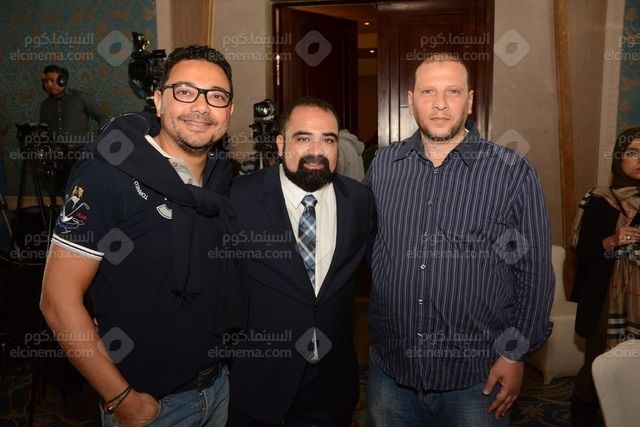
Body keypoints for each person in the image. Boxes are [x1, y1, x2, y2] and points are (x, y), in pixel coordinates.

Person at [40, 45, 241, 427]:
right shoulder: (108, 175)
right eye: (185, 91)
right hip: (150, 406)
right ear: (159, 100)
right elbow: (57, 301)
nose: (201, 106)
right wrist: (122, 399)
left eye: (216, 96)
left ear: (229, 111)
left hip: (218, 390)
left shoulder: (221, 180)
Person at [363, 53, 554, 426]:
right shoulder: (383, 166)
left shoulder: (512, 172)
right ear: (410, 100)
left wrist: (514, 354)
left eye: (452, 91)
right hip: (391, 371)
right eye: (428, 91)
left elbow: (534, 274)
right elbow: (369, 245)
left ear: (470, 100)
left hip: (476, 379)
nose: (440, 104)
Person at [227, 97, 375, 426]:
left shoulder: (358, 200)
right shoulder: (238, 198)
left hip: (330, 382)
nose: (316, 151)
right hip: (258, 379)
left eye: (328, 140)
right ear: (281, 144)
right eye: (304, 138)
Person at [569, 127, 640, 426]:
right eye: (632, 153)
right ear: (618, 158)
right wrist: (612, 240)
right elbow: (584, 251)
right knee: (597, 364)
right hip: (604, 298)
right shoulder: (600, 199)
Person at [39, 64, 104, 143]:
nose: (49, 85)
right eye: (46, 82)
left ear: (62, 80)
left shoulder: (80, 98)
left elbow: (102, 117)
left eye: (52, 81)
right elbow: (44, 129)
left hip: (81, 148)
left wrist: (98, 133)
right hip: (55, 149)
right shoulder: (45, 104)